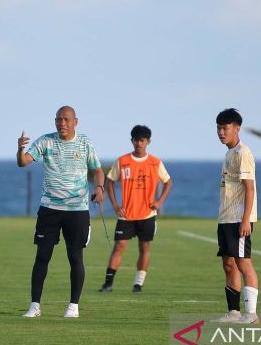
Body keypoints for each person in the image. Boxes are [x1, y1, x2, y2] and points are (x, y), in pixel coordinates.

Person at [17, 106, 105, 319]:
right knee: (42, 256)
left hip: (77, 210)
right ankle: (34, 306)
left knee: (75, 257)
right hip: (50, 208)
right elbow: (23, 162)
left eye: (66, 119)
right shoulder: (46, 141)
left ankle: (73, 306)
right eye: (58, 120)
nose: (61, 123)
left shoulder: (85, 143)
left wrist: (99, 188)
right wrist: (20, 149)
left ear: (76, 121)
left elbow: (98, 170)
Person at [98, 125, 172, 294]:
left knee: (144, 248)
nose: (139, 143)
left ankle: (138, 284)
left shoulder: (155, 162)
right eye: (136, 140)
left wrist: (159, 202)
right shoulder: (123, 161)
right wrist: (116, 205)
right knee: (119, 247)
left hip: (147, 215)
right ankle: (108, 284)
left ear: (148, 142)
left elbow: (168, 182)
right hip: (126, 215)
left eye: (142, 140)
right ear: (131, 141)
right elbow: (110, 181)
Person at [214, 108, 260, 325]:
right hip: (225, 219)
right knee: (228, 264)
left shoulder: (243, 153)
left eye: (225, 128)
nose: (221, 132)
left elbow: (249, 189)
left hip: (238, 219)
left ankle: (251, 315)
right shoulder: (229, 153)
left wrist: (245, 220)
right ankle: (233, 312)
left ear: (237, 128)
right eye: (219, 128)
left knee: (244, 263)